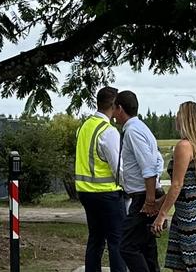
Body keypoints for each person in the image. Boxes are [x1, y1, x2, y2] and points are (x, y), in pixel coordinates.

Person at [152, 101, 196, 272]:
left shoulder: (183, 146)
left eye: (179, 113)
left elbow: (177, 185)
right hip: (188, 210)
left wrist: (161, 215)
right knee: (178, 263)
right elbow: (183, 186)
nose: (175, 117)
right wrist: (159, 203)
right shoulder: (194, 145)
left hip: (189, 213)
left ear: (187, 119)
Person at [75, 86, 126, 272]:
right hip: (107, 194)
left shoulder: (84, 127)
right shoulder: (108, 131)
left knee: (95, 238)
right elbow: (117, 168)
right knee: (117, 240)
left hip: (85, 192)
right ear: (114, 105)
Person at [114, 90, 164, 272]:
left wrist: (150, 201)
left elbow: (149, 167)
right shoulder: (142, 128)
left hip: (144, 197)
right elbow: (158, 160)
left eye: (114, 108)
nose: (113, 113)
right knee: (146, 247)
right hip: (147, 193)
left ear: (119, 108)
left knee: (126, 246)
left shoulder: (133, 131)